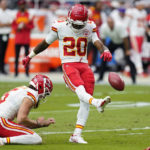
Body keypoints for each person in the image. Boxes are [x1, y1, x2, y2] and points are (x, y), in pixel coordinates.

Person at [22, 4, 112, 144]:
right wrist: (30, 56)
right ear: (69, 20)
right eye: (76, 25)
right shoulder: (60, 26)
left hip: (84, 65)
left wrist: (104, 51)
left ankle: (76, 135)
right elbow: (45, 43)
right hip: (69, 64)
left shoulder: (89, 25)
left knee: (84, 101)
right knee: (81, 90)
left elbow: (97, 42)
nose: (78, 28)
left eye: (80, 25)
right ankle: (97, 102)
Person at [0, 74, 55, 146]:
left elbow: (21, 124)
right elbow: (21, 120)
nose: (44, 96)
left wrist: (40, 124)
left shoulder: (23, 88)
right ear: (41, 86)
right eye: (46, 92)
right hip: (2, 122)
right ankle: (2, 140)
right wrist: (39, 123)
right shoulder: (31, 95)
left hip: (2, 121)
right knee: (35, 138)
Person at [97, 17, 137, 84]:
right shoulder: (104, 27)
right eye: (109, 23)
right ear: (107, 23)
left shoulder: (119, 26)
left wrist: (127, 50)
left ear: (114, 22)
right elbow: (103, 40)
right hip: (114, 42)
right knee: (104, 58)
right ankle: (100, 78)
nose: (111, 24)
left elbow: (125, 39)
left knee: (128, 59)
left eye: (112, 23)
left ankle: (134, 79)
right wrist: (103, 50)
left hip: (124, 42)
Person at [12, 0, 34, 77]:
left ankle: (27, 72)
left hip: (26, 39)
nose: (22, 6)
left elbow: (32, 26)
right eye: (21, 5)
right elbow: (13, 26)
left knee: (27, 56)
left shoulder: (29, 15)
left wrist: (25, 26)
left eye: (23, 5)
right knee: (17, 56)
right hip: (18, 39)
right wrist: (18, 27)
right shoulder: (16, 15)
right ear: (19, 6)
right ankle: (16, 72)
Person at [126, 1, 147, 76]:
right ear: (137, 5)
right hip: (134, 34)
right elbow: (127, 22)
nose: (142, 6)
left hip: (141, 34)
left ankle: (128, 69)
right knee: (137, 53)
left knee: (136, 53)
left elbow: (144, 24)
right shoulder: (132, 11)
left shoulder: (144, 12)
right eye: (141, 5)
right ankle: (139, 70)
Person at [0, 0, 13, 75]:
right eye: (3, 3)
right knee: (1, 52)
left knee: (4, 52)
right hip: (0, 34)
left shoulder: (9, 12)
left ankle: (2, 68)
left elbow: (11, 23)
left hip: (6, 33)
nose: (5, 4)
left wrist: (4, 24)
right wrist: (6, 24)